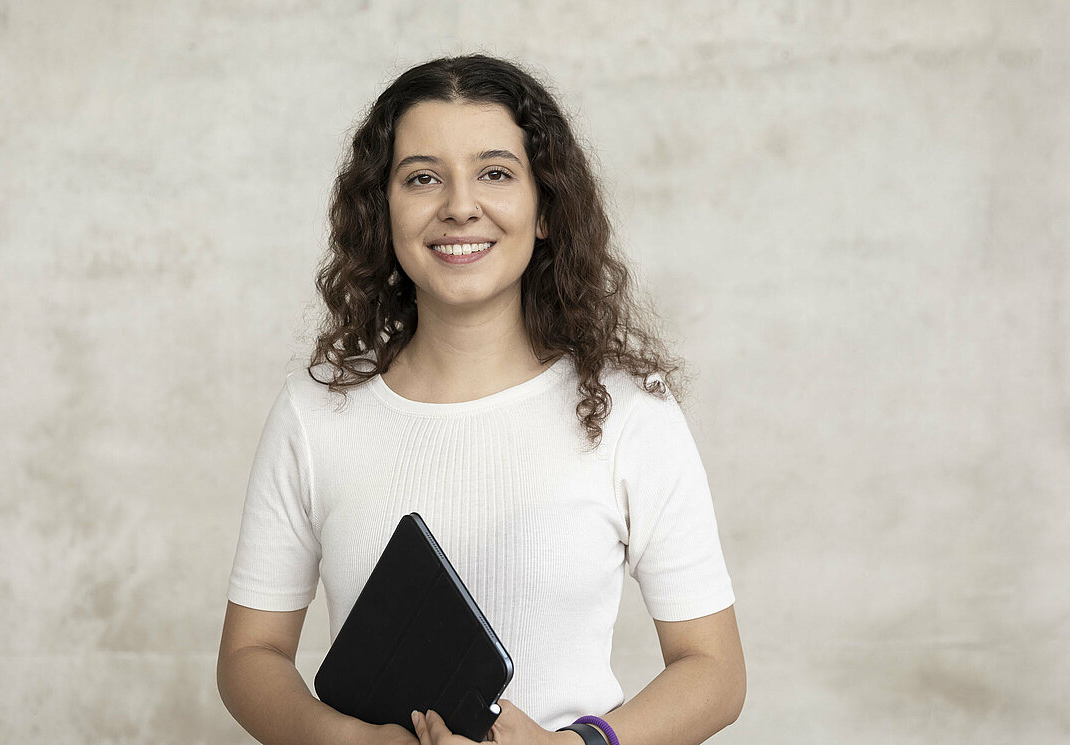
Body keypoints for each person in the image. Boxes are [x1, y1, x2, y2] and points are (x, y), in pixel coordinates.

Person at [217, 54, 745, 745]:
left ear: (546, 209)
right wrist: (353, 742)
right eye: (422, 178)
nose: (460, 205)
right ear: (384, 209)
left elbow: (715, 670)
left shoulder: (631, 411)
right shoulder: (313, 412)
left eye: (495, 173)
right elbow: (247, 656)